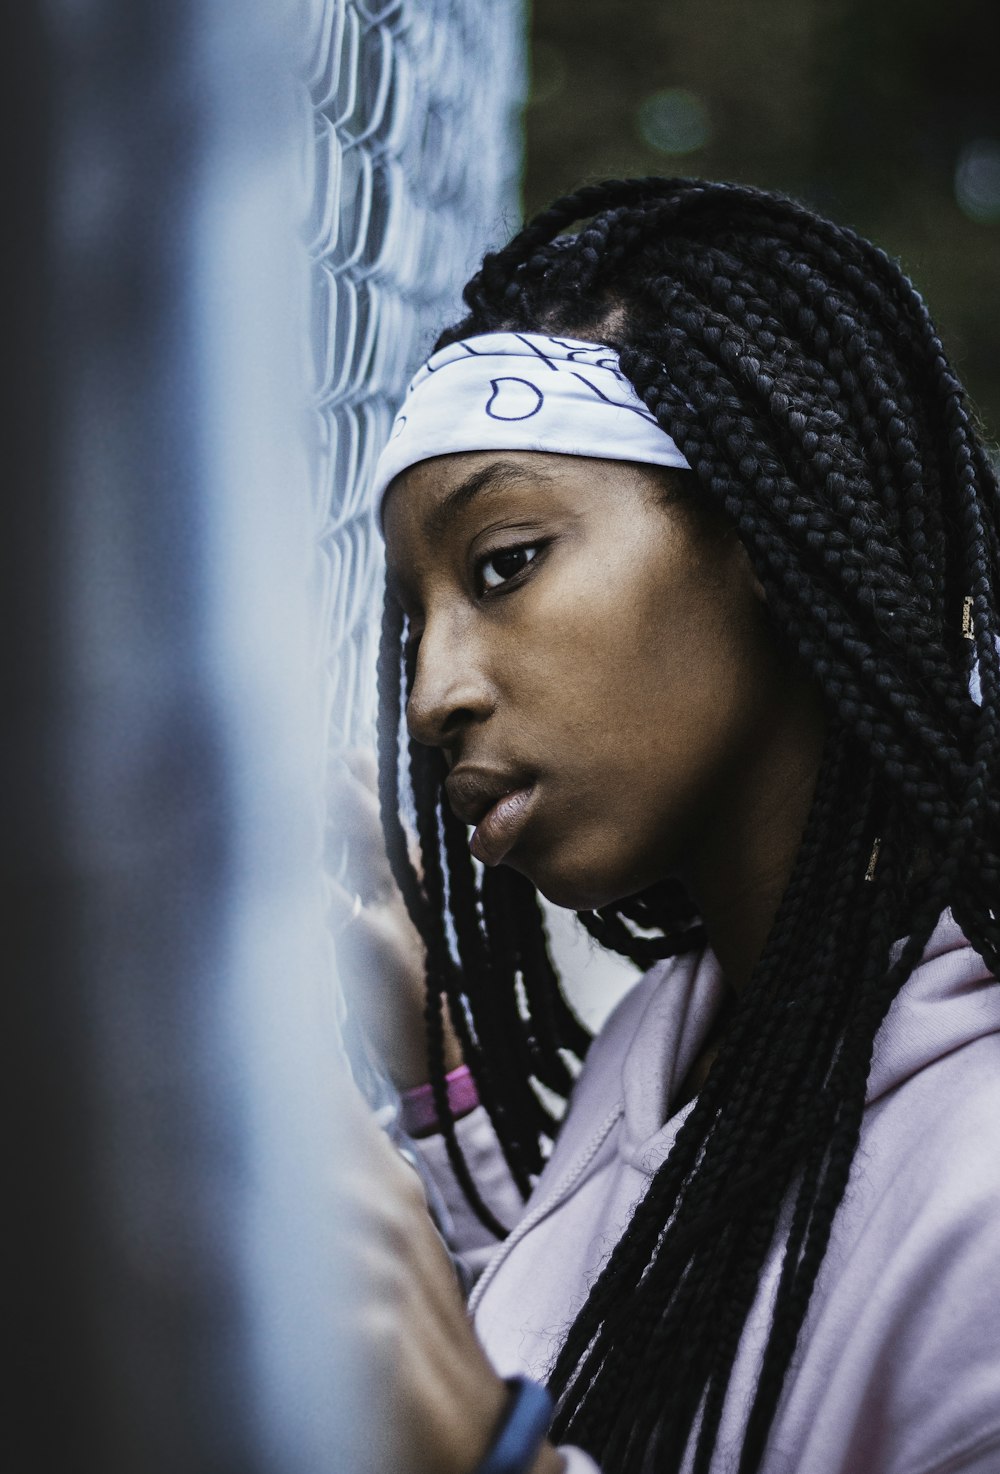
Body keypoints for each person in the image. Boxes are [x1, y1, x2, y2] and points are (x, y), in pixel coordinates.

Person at [330, 178, 1000, 1474]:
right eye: (419, 618)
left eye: (505, 560)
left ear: (765, 518)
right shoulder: (683, 1030)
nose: (431, 697)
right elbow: (626, 1345)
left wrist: (493, 1457)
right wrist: (452, 1084)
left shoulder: (976, 1204)